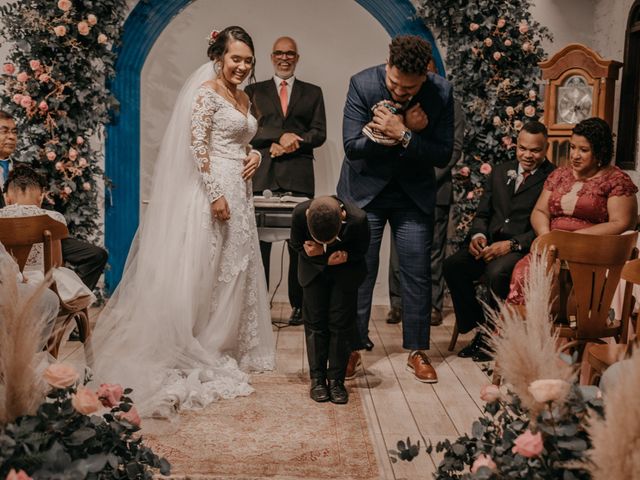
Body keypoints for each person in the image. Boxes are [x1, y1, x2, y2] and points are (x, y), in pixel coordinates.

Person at [92, 26, 275, 418]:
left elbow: (240, 141)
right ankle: (194, 343)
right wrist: (214, 194)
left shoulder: (243, 96)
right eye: (235, 59)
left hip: (240, 194)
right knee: (205, 268)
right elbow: (197, 147)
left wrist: (256, 155)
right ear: (219, 57)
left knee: (233, 267)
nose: (242, 66)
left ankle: (220, 342)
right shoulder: (205, 93)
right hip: (212, 195)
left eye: (248, 60)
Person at [337, 35, 454, 384]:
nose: (400, 93)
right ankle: (352, 348)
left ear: (425, 77)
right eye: (394, 85)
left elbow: (442, 154)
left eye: (409, 89)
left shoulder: (441, 93)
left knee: (416, 274)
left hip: (412, 195)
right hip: (365, 191)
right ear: (387, 66)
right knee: (361, 273)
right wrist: (388, 132)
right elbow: (351, 146)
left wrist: (405, 134)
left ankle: (417, 350)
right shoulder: (362, 83)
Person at [443, 121, 555, 361]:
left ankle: (487, 340)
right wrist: (479, 236)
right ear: (516, 145)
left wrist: (512, 245)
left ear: (546, 148)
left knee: (497, 273)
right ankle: (482, 326)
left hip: (520, 250)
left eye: (535, 150)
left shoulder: (552, 179)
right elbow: (483, 213)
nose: (527, 155)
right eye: (522, 148)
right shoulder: (501, 170)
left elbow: (546, 228)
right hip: (489, 244)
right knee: (453, 265)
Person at [507, 117, 638, 304]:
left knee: (562, 288)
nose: (575, 155)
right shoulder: (559, 174)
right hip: (551, 249)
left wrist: (574, 240)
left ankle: (562, 331)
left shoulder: (616, 180)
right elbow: (540, 211)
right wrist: (548, 238)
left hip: (589, 254)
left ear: (600, 153)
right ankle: (528, 331)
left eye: (583, 150)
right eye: (572, 147)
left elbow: (623, 223)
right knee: (523, 273)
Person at [244, 36, 326, 326]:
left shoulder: (313, 92)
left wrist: (295, 141)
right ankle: (259, 306)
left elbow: (319, 133)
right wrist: (280, 136)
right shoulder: (253, 90)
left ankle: (299, 307)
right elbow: (250, 131)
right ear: (271, 56)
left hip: (299, 177)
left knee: (299, 246)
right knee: (258, 246)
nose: (284, 57)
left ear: (297, 57)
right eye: (279, 53)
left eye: (290, 53)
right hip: (262, 175)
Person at [0, 110, 108, 295]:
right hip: (2, 238)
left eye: (15, 132)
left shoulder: (23, 167)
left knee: (96, 255)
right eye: (4, 131)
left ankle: (63, 304)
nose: (11, 137)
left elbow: (43, 202)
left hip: (38, 231)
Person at [387, 97, 465, 326]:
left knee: (433, 250)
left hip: (436, 189)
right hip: (403, 188)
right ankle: (398, 304)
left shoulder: (452, 106)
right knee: (397, 249)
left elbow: (454, 149)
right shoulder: (400, 102)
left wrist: (426, 179)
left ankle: (432, 305)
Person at [289, 196, 369, 404]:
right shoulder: (300, 213)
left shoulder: (358, 219)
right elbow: (297, 244)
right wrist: (325, 256)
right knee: (315, 325)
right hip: (313, 272)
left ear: (342, 216)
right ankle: (317, 379)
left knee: (340, 325)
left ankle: (336, 381)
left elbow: (361, 250)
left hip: (345, 274)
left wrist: (338, 256)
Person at [0, 165, 95, 307]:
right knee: (73, 290)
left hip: (7, 284)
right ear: (41, 197)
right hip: (44, 285)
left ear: (6, 198)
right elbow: (55, 263)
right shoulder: (53, 218)